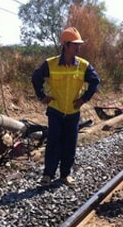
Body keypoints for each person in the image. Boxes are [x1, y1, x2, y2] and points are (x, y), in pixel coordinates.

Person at [32, 27, 101, 186]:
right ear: (66, 45)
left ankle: (65, 174)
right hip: (55, 111)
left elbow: (95, 82)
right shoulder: (50, 64)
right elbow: (36, 78)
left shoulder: (83, 65)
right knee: (53, 143)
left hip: (73, 113)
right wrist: (42, 96)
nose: (79, 47)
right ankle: (48, 175)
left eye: (79, 44)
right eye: (76, 44)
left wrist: (83, 99)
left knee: (70, 145)